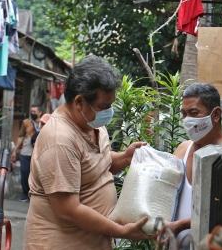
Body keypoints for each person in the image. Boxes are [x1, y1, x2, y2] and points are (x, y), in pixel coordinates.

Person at [23, 55, 150, 250]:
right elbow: (68, 209)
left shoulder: (91, 122)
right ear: (79, 101)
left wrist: (125, 157)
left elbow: (99, 165)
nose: (108, 112)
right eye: (103, 107)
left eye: (110, 106)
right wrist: (122, 231)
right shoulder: (60, 140)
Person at [164, 83, 222, 250]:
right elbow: (164, 195)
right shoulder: (182, 150)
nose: (187, 120)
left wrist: (181, 225)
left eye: (193, 113)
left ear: (215, 115)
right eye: (184, 114)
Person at [11, 104, 43, 202]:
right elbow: (20, 136)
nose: (32, 113)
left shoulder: (45, 122)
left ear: (40, 112)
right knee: (24, 171)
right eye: (31, 111)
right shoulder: (26, 122)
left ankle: (36, 194)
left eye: (34, 112)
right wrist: (15, 150)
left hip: (40, 151)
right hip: (26, 150)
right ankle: (25, 193)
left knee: (38, 173)